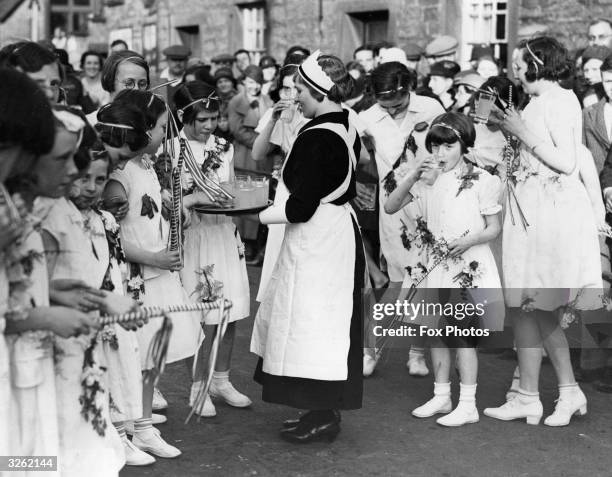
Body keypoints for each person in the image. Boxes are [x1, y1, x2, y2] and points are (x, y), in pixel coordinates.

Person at [484, 36, 602, 427]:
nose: (513, 70)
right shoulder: (534, 102)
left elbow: (567, 162)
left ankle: (567, 392)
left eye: (519, 63)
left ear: (537, 62)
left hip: (550, 218)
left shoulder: (562, 101)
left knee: (539, 307)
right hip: (528, 215)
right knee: (524, 309)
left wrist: (519, 130)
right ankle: (529, 396)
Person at [251, 51, 365, 443]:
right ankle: (319, 410)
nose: (294, 93)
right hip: (334, 232)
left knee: (313, 325)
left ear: (317, 89)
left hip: (319, 240)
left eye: (299, 87)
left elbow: (299, 207)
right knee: (322, 324)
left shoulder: (318, 136)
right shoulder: (346, 120)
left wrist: (256, 216)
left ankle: (323, 414)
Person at [385, 112, 503, 427]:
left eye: (448, 146)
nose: (440, 154)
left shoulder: (484, 180)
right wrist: (412, 176)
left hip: (466, 265)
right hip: (432, 261)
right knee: (436, 330)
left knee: (462, 335)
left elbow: (493, 228)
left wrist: (470, 240)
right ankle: (441, 395)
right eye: (435, 146)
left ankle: (468, 404)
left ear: (463, 145)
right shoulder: (426, 179)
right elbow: (390, 206)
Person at [101, 93, 202, 456]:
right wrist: (155, 258)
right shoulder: (119, 177)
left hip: (157, 277)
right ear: (141, 130)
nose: (165, 133)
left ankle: (143, 427)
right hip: (136, 279)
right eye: (161, 127)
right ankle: (123, 429)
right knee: (133, 358)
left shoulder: (146, 167)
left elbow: (151, 210)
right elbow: (113, 239)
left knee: (151, 359)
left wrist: (171, 213)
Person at [172, 81, 252, 417]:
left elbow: (229, 189)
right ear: (182, 116)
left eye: (213, 118)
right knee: (198, 314)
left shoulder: (224, 146)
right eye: (201, 119)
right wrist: (192, 199)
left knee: (228, 313)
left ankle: (221, 379)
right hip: (195, 238)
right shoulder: (170, 149)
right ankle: (197, 386)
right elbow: (170, 198)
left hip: (222, 233)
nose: (209, 125)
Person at [252, 62, 309, 302]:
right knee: (279, 249)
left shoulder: (317, 113)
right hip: (287, 187)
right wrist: (274, 119)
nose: (290, 95)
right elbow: (257, 153)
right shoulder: (280, 114)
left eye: (295, 89)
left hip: (312, 186)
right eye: (285, 89)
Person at [90, 50, 150, 125]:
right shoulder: (89, 124)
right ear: (109, 80)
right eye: (129, 83)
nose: (137, 89)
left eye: (142, 84)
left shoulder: (155, 124)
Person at [214, 67, 239, 141]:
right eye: (220, 82)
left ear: (232, 83)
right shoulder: (213, 100)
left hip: (236, 139)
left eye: (226, 81)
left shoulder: (240, 99)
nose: (223, 84)